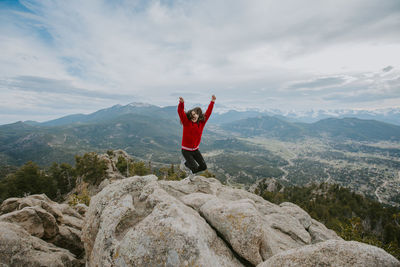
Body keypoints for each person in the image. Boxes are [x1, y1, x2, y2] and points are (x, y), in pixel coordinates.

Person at [178, 95, 216, 180]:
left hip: (195, 150)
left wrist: (212, 102)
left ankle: (192, 172)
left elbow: (208, 112)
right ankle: (185, 163)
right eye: (192, 115)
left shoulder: (201, 123)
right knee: (194, 167)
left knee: (203, 167)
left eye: (195, 114)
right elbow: (180, 112)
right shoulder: (186, 123)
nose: (194, 116)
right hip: (186, 150)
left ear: (198, 115)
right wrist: (181, 103)